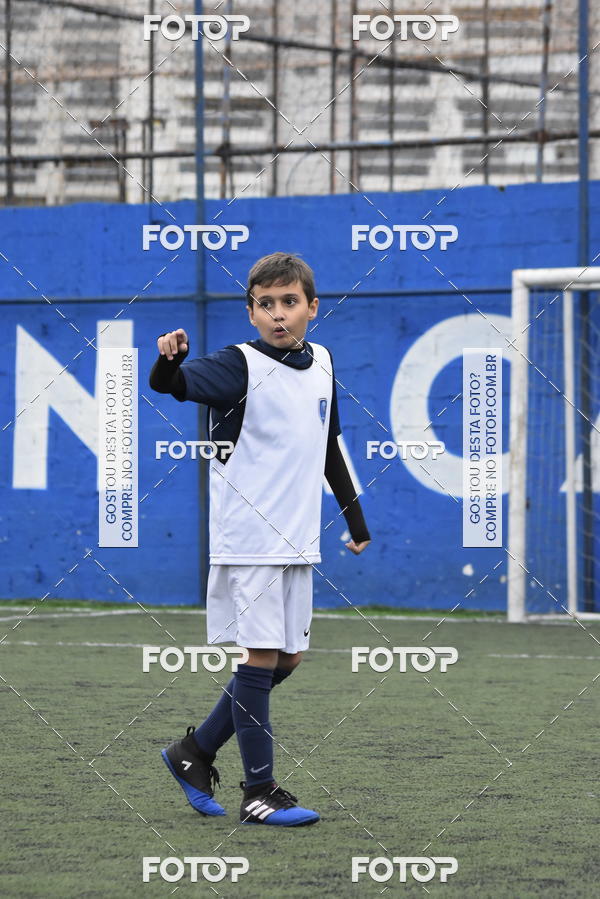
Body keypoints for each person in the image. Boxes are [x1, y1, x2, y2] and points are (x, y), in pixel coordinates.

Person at [149, 252, 370, 826]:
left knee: (288, 659)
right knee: (261, 657)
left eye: (289, 302)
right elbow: (173, 385)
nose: (278, 314)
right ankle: (259, 792)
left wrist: (356, 522)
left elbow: (328, 447)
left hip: (297, 541)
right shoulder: (236, 365)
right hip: (250, 541)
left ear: (311, 307)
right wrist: (168, 363)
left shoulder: (323, 363)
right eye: (265, 304)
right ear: (250, 313)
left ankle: (193, 752)